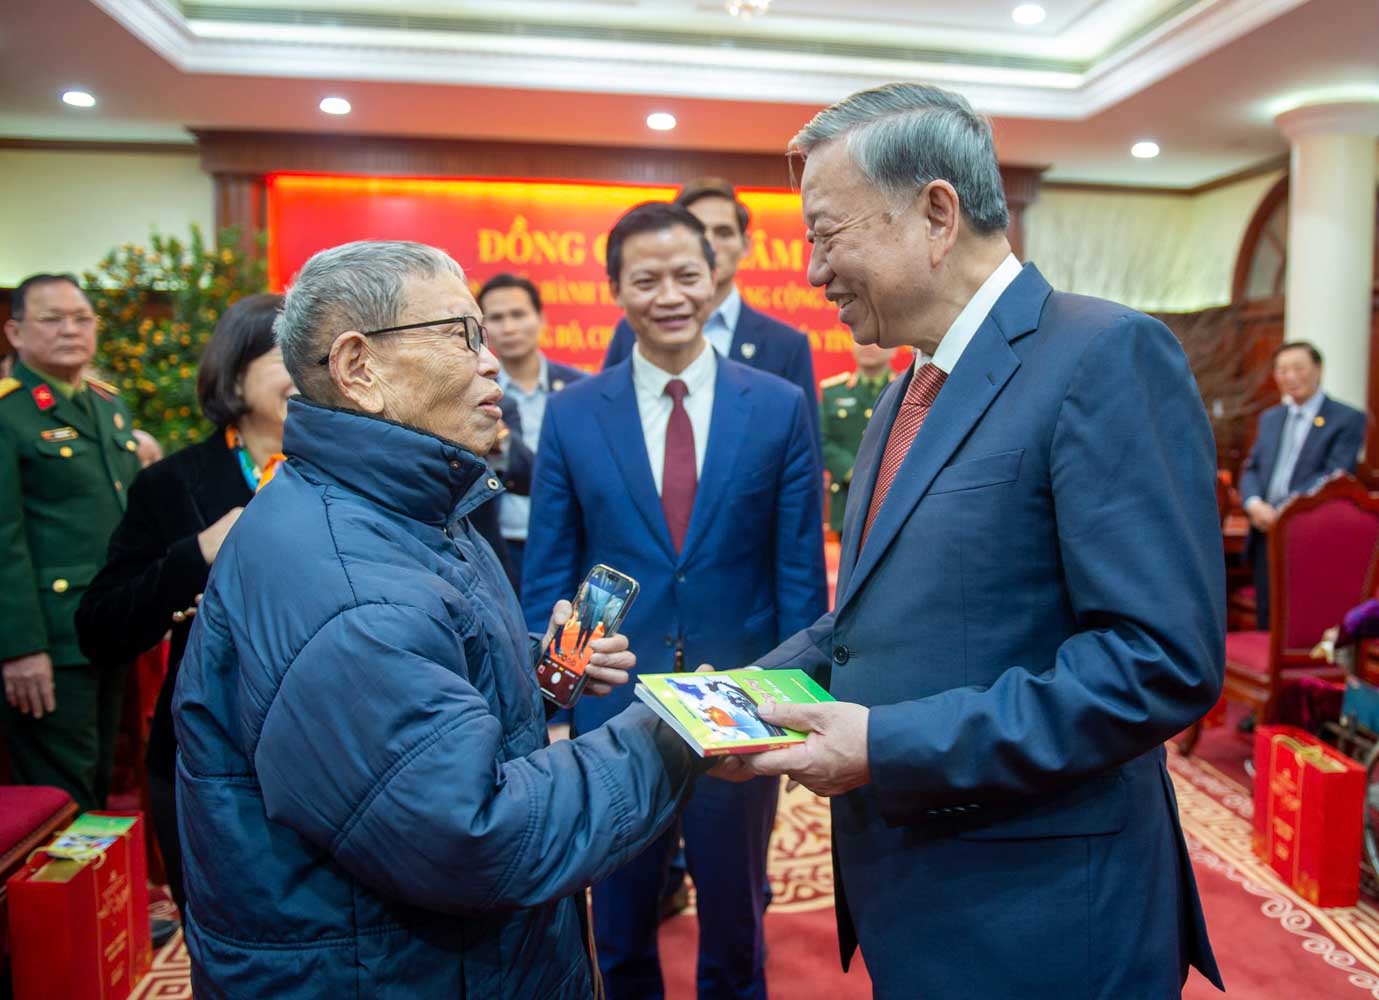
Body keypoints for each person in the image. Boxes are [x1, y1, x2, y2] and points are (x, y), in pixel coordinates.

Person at [723, 83, 1224, 997]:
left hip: (1042, 917)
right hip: (925, 897)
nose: (811, 271)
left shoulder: (1103, 355)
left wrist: (888, 745)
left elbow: (1158, 662)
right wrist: (734, 694)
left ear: (936, 213)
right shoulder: (909, 387)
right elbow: (877, 616)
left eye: (826, 236)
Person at [172, 240, 702, 998]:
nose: (491, 363)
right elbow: (472, 836)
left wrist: (530, 667)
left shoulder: (399, 507)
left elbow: (420, 679)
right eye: (462, 335)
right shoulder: (346, 585)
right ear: (359, 368)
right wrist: (673, 734)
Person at [524, 203, 826, 1000]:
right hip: (613, 708)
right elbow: (553, 570)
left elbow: (798, 574)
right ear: (615, 288)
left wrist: (798, 706)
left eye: (686, 275)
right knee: (619, 921)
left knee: (736, 918)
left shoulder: (776, 404)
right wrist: (552, 700)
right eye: (646, 279)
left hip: (741, 703)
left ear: (717, 275)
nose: (670, 294)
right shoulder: (574, 412)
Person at [76, 293, 292, 915]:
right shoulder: (170, 484)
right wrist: (196, 552)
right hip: (206, 755)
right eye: (288, 355)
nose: (308, 372)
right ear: (234, 370)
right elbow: (101, 627)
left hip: (319, 753)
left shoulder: (345, 475)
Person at [0, 273, 142, 810]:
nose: (71, 330)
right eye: (52, 319)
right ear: (15, 332)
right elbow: (3, 538)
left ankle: (101, 893)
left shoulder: (107, 405)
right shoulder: (8, 414)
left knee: (104, 775)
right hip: (50, 638)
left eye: (82, 319)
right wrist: (20, 649)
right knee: (62, 793)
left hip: (106, 625)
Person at [602, 179, 820, 466]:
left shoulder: (786, 345)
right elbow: (608, 425)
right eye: (699, 230)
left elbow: (805, 461)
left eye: (724, 232)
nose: (711, 243)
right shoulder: (630, 331)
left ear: (745, 245)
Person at [1239, 340, 1365, 630]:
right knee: (1267, 616)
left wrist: (1284, 509)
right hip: (1265, 531)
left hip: (1309, 532)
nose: (1290, 376)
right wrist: (1254, 503)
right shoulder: (1270, 418)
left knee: (1305, 620)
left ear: (1318, 370)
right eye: (1282, 370)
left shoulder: (1346, 419)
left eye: (1298, 368)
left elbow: (1335, 474)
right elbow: (1253, 468)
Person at [479, 273, 584, 592]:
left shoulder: (581, 388)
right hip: (499, 542)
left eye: (519, 314)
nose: (509, 328)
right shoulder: (475, 391)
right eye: (496, 318)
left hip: (567, 541)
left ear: (541, 319)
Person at [819, 341, 898, 534]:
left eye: (877, 340)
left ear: (895, 347)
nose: (868, 346)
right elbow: (820, 439)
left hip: (893, 497)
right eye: (862, 340)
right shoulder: (833, 392)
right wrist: (851, 471)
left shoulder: (906, 390)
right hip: (847, 498)